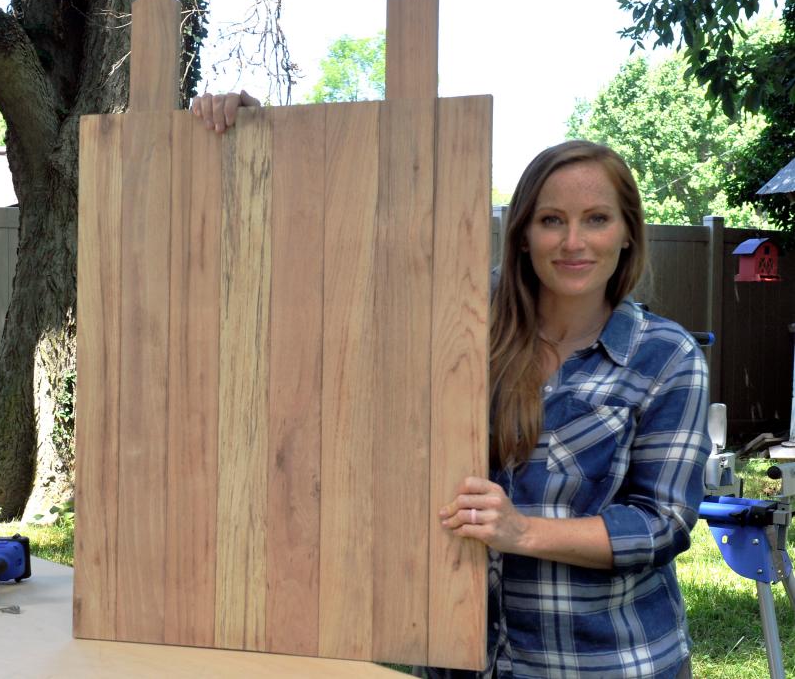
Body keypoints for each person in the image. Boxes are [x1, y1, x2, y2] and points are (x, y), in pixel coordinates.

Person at [191, 95, 710, 679]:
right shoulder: (459, 316)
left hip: (601, 661)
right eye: (551, 220)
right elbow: (341, 281)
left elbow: (661, 523)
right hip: (456, 658)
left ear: (627, 233)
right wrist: (266, 141)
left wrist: (521, 531)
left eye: (596, 219)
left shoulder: (665, 357)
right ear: (522, 234)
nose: (573, 242)